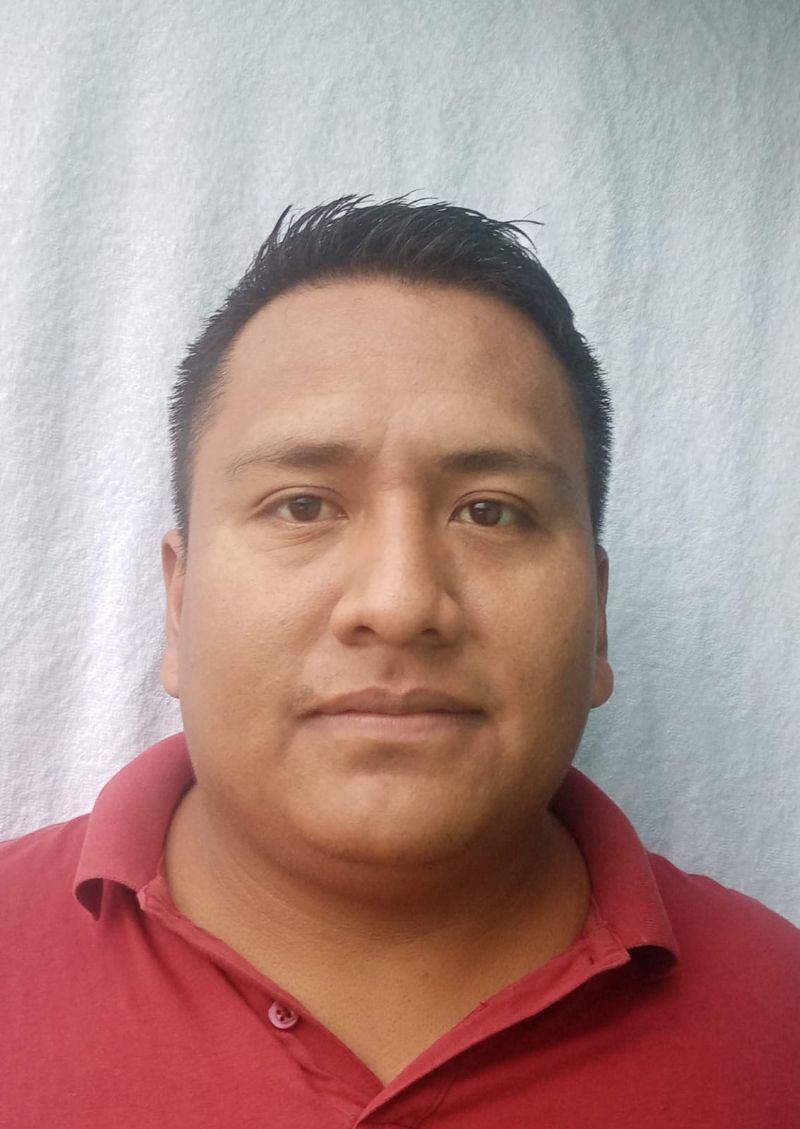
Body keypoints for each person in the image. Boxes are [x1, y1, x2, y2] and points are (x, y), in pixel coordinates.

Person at [2, 194, 798, 1129]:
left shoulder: (779, 1024)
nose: (399, 602)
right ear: (179, 605)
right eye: (303, 505)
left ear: (597, 620)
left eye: (490, 511)